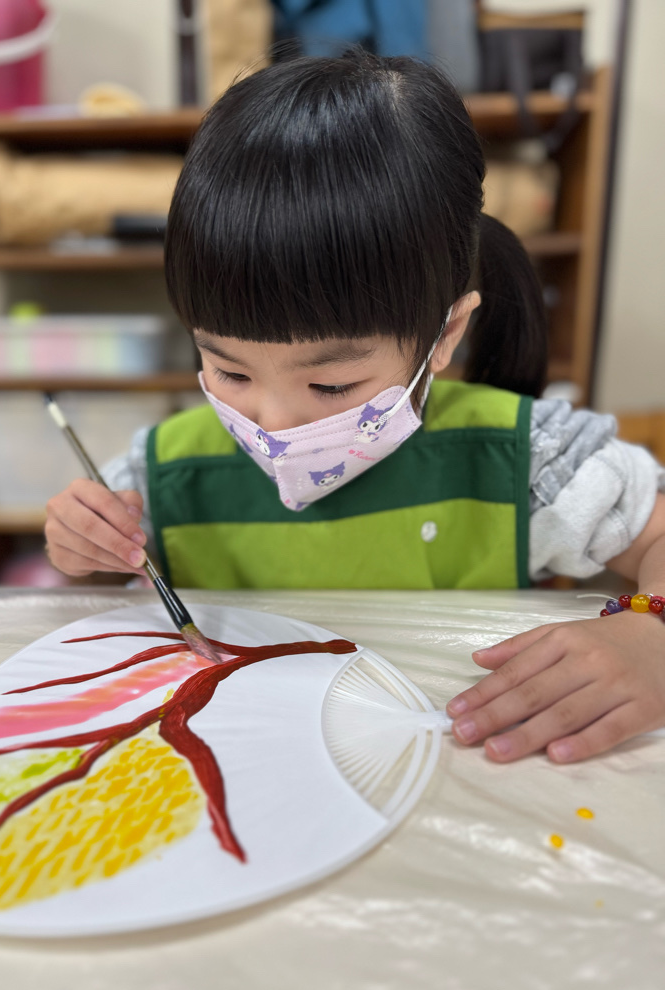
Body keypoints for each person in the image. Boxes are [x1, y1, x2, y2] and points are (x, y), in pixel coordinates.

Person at [45, 51, 665, 765]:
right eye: (230, 370)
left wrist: (651, 634)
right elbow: (95, 571)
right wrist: (82, 546)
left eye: (332, 385)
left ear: (445, 335)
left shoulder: (526, 463)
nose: (274, 423)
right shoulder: (166, 475)